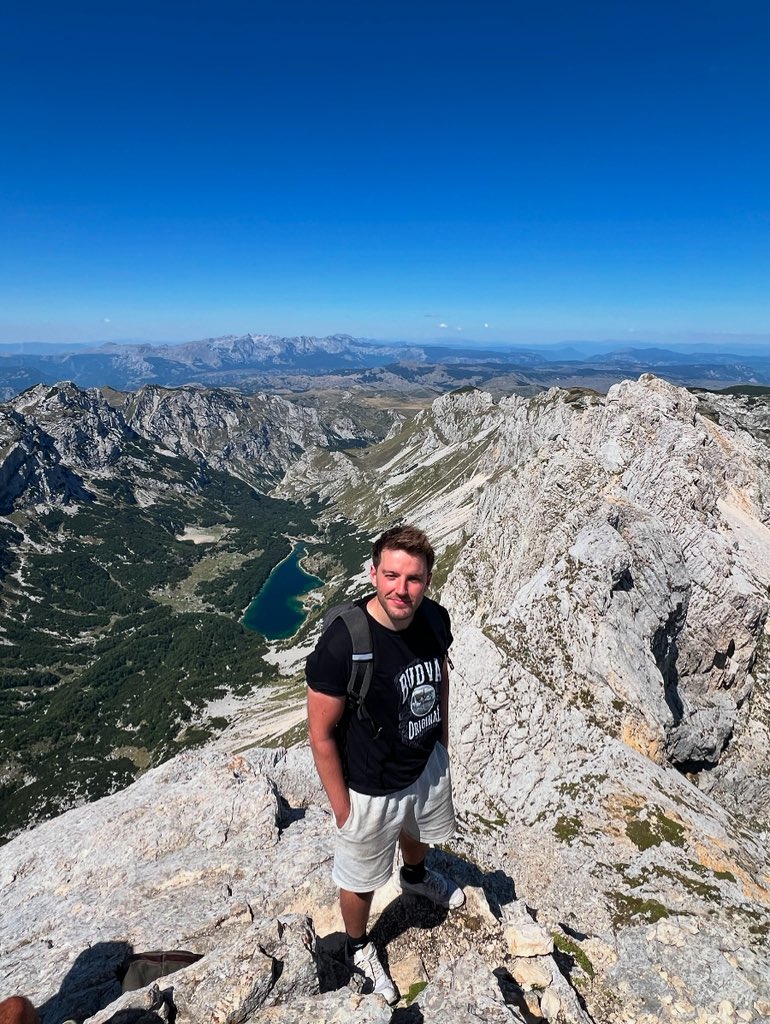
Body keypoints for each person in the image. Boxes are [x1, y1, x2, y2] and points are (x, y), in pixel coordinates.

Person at [306, 525, 464, 1005]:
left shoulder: (435, 619)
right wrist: (342, 809)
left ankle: (414, 878)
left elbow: (438, 682)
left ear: (428, 581)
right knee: (359, 878)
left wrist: (442, 743)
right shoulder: (342, 644)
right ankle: (358, 946)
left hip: (423, 764)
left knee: (418, 827)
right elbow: (320, 733)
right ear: (374, 573)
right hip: (370, 786)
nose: (401, 589)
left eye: (413, 579)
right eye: (391, 575)